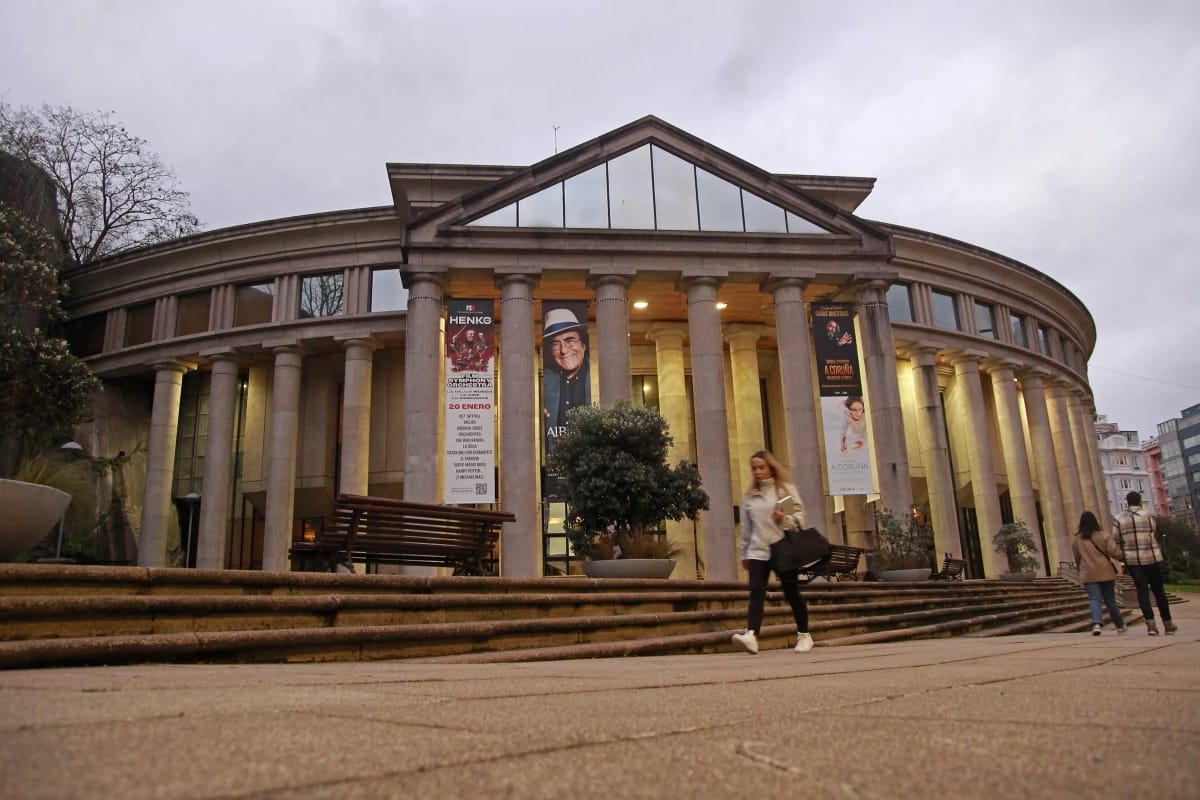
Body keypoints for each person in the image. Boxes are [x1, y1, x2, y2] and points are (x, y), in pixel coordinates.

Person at [732, 450, 814, 654]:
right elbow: (747, 528)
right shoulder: (751, 496)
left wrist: (784, 519)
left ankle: (804, 635)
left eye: (762, 467)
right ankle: (751, 635)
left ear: (771, 467)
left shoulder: (783, 491)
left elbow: (799, 518)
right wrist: (745, 553)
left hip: (782, 548)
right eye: (754, 468)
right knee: (756, 591)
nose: (758, 472)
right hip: (757, 551)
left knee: (791, 591)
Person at [1114, 491, 1176, 635]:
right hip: (1151, 557)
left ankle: (1151, 625)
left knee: (1142, 591)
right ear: (1140, 501)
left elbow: (1115, 539)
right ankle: (1167, 623)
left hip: (1133, 559)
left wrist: (1122, 556)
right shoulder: (1148, 516)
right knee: (1159, 591)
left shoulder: (1119, 518)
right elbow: (1152, 532)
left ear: (1127, 502)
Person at [1071, 511, 1127, 636]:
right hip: (1105, 571)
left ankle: (1097, 624)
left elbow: (1077, 556)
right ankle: (1119, 625)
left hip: (1088, 573)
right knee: (1110, 599)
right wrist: (1122, 556)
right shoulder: (1104, 535)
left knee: (1094, 598)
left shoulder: (1078, 539)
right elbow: (1114, 552)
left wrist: (1080, 569)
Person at [542, 308, 591, 437]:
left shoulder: (596, 378)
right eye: (555, 344)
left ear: (584, 345)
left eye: (570, 340)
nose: (563, 350)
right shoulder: (545, 381)